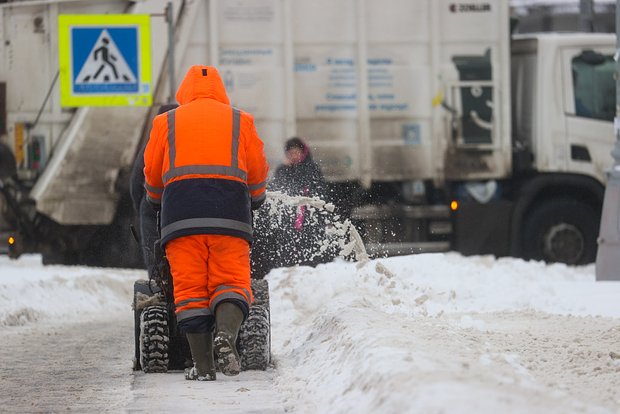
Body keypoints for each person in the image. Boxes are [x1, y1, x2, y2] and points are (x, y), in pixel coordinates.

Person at [143, 65, 269, 381]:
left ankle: (203, 366)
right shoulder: (241, 120)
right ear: (220, 90)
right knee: (231, 279)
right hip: (231, 214)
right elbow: (256, 170)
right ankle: (225, 335)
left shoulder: (165, 121)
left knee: (189, 289)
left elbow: (153, 172)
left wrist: (156, 198)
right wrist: (256, 195)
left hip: (180, 216)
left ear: (184, 92)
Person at [129, 103, 178, 280]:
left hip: (151, 210)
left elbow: (136, 181)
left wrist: (140, 207)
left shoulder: (151, 145)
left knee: (154, 255)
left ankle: (159, 290)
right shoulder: (185, 145)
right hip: (179, 207)